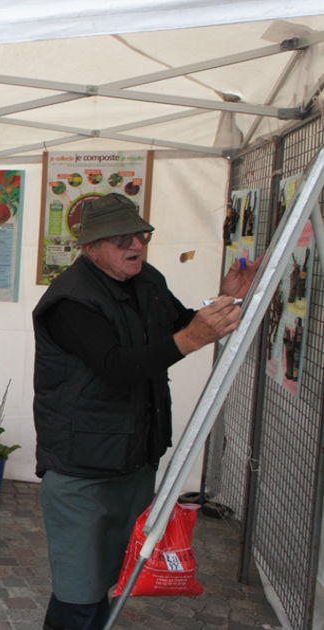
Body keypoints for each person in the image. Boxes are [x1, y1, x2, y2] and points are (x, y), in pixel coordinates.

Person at [32, 193, 255, 630]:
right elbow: (116, 367)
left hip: (134, 458)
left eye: (141, 235)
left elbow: (178, 323)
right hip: (82, 469)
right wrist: (193, 338)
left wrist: (223, 302)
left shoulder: (146, 279)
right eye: (121, 239)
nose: (135, 245)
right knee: (78, 590)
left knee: (114, 577)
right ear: (90, 246)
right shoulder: (69, 301)